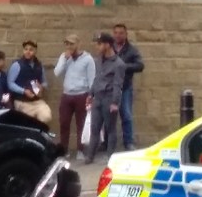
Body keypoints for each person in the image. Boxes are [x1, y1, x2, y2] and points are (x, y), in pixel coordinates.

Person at [85, 33, 125, 164]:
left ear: (108, 44)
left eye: (100, 43)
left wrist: (115, 102)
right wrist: (91, 94)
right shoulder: (99, 60)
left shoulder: (118, 64)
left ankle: (110, 156)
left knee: (110, 128)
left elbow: (118, 84)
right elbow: (97, 78)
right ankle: (90, 156)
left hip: (109, 98)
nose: (97, 47)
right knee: (94, 128)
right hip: (98, 98)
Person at [54, 34, 95, 159]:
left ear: (78, 44)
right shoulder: (64, 56)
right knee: (64, 122)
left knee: (81, 124)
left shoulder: (88, 59)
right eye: (67, 44)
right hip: (67, 95)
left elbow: (92, 79)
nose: (69, 46)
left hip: (81, 94)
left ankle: (81, 150)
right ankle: (64, 150)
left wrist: (90, 96)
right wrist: (65, 59)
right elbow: (57, 73)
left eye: (71, 44)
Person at [112, 24, 144, 150]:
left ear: (126, 34)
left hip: (125, 88)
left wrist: (125, 66)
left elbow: (140, 66)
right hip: (110, 88)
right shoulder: (109, 48)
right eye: (116, 33)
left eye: (121, 33)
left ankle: (128, 142)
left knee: (126, 115)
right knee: (108, 117)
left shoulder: (132, 50)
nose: (118, 35)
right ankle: (107, 143)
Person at [8, 40, 52, 124]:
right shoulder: (17, 65)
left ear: (35, 51)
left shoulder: (39, 65)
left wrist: (41, 87)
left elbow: (44, 82)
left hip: (37, 101)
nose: (28, 52)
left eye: (31, 50)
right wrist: (24, 91)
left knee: (46, 116)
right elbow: (10, 83)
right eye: (26, 49)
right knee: (28, 123)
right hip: (22, 101)